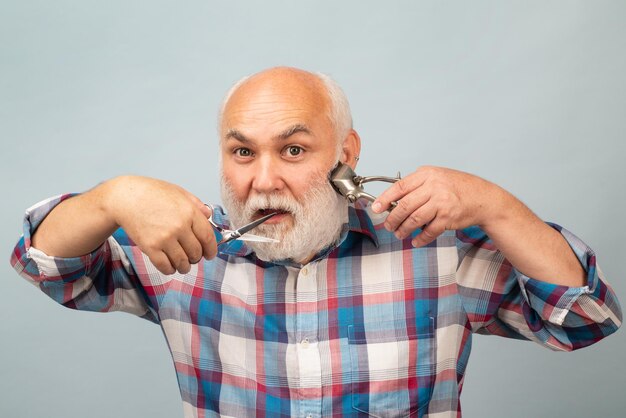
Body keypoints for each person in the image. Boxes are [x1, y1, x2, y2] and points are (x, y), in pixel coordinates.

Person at [10, 66, 622, 418]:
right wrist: (110, 196)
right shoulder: (183, 251)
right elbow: (52, 266)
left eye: (294, 150)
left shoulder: (433, 248)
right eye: (243, 151)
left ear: (346, 154)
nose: (264, 179)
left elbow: (583, 320)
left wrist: (498, 206)